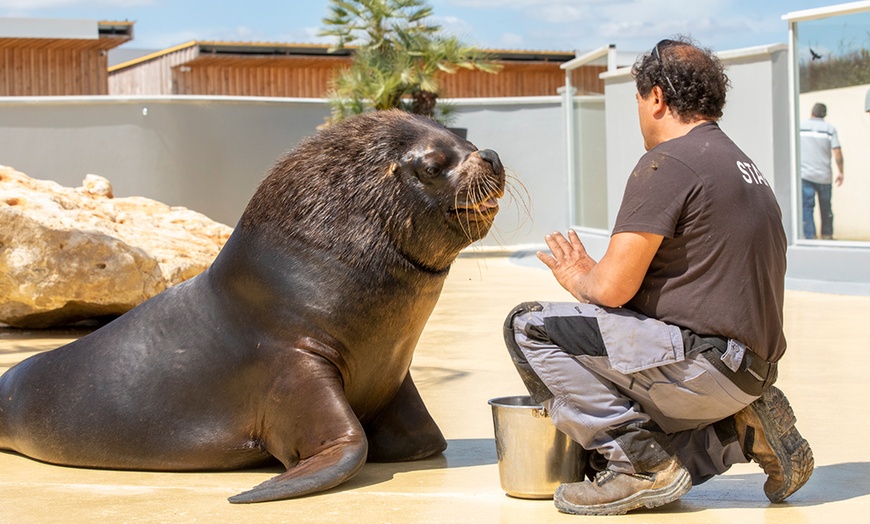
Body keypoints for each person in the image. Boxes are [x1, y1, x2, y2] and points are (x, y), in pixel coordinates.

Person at [503, 36, 813, 516]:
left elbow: (611, 289)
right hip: (751, 371)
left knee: (529, 326)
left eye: (639, 101)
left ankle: (640, 468)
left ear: (657, 98)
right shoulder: (744, 167)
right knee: (625, 445)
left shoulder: (667, 162)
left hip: (703, 368)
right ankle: (738, 429)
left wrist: (580, 275)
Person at [800, 102, 844, 239]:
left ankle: (809, 237)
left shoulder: (801, 127)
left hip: (805, 175)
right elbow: (837, 152)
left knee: (807, 207)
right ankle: (827, 236)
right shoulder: (829, 129)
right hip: (824, 176)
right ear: (824, 114)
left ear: (811, 112)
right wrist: (841, 172)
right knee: (826, 208)